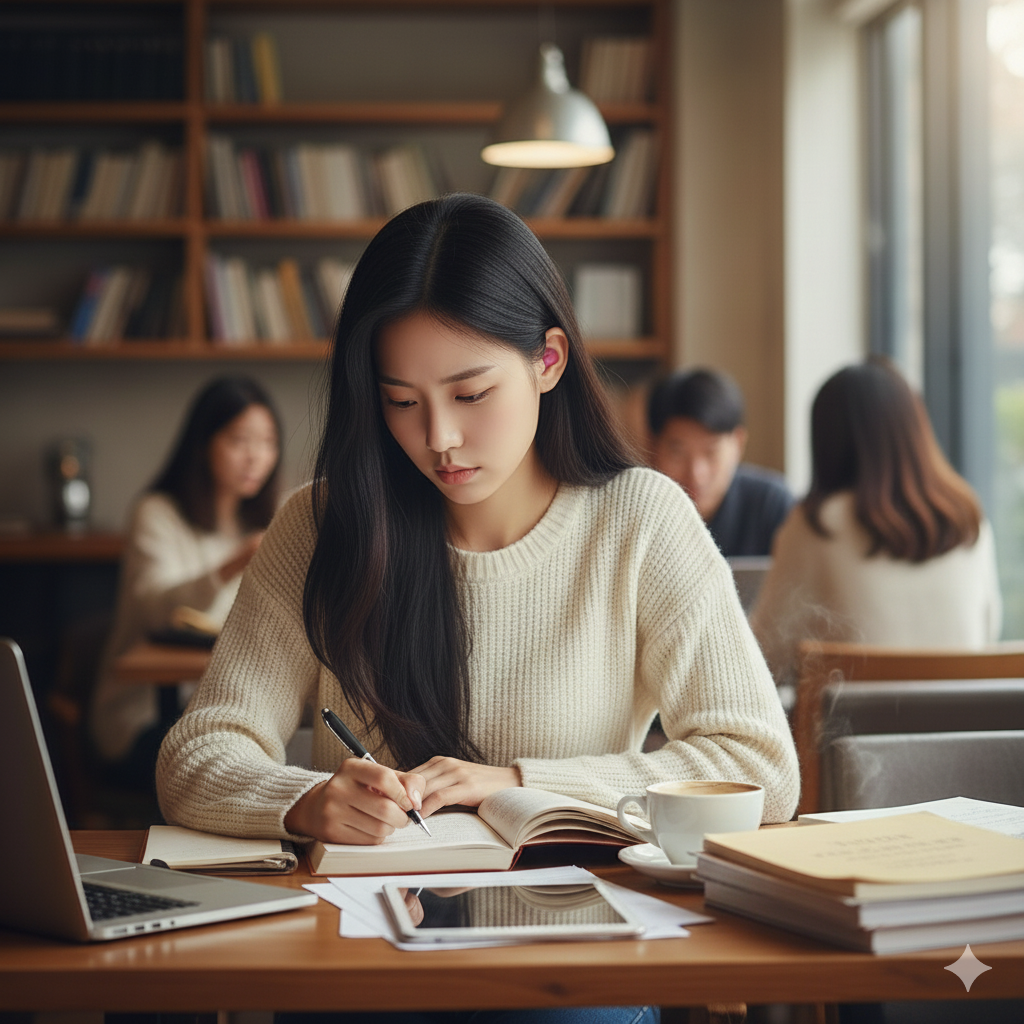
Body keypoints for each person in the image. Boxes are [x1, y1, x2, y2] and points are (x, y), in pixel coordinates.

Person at [157, 195, 798, 1021]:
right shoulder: (323, 528)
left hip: (567, 961)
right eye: (401, 401)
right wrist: (303, 800)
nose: (440, 439)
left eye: (469, 393)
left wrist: (515, 784)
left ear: (549, 360)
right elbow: (198, 751)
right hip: (363, 958)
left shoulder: (640, 520)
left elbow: (759, 766)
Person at [750, 357, 1002, 682]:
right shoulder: (968, 519)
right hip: (963, 729)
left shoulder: (817, 525)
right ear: (914, 429)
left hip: (851, 732)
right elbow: (987, 630)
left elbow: (763, 658)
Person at [90, 375, 282, 789]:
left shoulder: (263, 521)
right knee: (240, 773)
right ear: (203, 443)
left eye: (267, 442)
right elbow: (158, 610)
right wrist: (234, 563)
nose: (256, 457)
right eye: (240, 441)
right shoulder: (156, 513)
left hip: (225, 708)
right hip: (146, 712)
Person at [646, 368, 794, 558]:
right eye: (678, 453)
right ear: (652, 446)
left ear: (738, 444)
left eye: (711, 453)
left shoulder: (772, 504)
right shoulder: (638, 514)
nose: (696, 474)